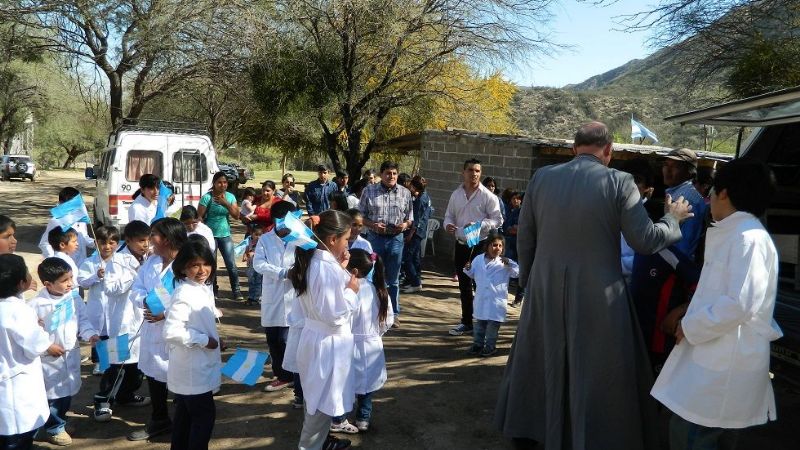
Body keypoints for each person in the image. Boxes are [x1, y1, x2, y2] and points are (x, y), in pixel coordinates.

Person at [494, 121, 694, 450]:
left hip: (545, 288)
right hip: (600, 295)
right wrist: (673, 218)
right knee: (597, 367)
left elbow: (526, 238)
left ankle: (535, 429)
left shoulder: (542, 178)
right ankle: (593, 435)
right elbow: (645, 241)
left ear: (574, 149)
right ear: (608, 152)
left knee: (543, 360)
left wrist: (529, 283)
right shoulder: (621, 182)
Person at [651, 158, 782, 450]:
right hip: (714, 362)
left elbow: (739, 304)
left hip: (721, 367)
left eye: (711, 192)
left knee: (692, 436)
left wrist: (690, 326)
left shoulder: (747, 238)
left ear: (723, 193)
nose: (708, 199)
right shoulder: (737, 233)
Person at [631, 149, 708, 373]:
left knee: (657, 339)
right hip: (667, 270)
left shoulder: (686, 198)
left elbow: (682, 247)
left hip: (671, 276)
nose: (667, 169)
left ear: (689, 171)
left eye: (674, 165)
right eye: (665, 164)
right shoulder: (676, 193)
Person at [290, 210, 357, 450]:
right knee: (319, 405)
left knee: (320, 401)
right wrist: (351, 291)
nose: (347, 243)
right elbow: (334, 315)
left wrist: (341, 269)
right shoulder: (324, 268)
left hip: (317, 339)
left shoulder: (314, 262)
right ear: (332, 240)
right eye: (346, 238)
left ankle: (320, 442)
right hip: (326, 344)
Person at [78, 226, 149, 422]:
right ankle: (102, 401)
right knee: (115, 366)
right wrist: (135, 273)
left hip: (140, 320)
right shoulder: (118, 261)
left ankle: (125, 396)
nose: (145, 245)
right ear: (129, 240)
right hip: (118, 322)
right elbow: (111, 288)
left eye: (147, 240)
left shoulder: (146, 259)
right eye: (140, 241)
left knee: (136, 368)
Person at [127, 218, 188, 441]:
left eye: (154, 234)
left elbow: (194, 300)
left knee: (180, 376)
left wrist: (166, 313)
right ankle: (160, 419)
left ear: (168, 239)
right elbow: (137, 287)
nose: (150, 238)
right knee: (154, 375)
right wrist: (145, 302)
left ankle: (184, 421)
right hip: (152, 328)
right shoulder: (151, 262)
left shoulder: (187, 264)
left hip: (177, 328)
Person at [29, 257, 94, 446]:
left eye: (71, 278)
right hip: (50, 358)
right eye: (65, 281)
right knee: (53, 396)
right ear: (48, 284)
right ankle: (53, 428)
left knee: (66, 393)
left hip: (70, 353)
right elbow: (30, 333)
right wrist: (46, 346)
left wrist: (90, 334)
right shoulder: (36, 305)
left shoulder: (73, 298)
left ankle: (59, 422)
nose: (70, 284)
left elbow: (83, 319)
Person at [163, 241, 221, 450]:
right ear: (183, 267)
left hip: (196, 365)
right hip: (192, 368)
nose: (202, 270)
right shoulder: (184, 293)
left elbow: (200, 322)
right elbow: (171, 331)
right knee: (203, 420)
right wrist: (205, 340)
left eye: (206, 264)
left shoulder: (201, 288)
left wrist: (215, 338)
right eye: (195, 265)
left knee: (185, 418)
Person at [0, 254, 61, 450]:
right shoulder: (19, 311)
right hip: (16, 382)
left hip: (6, 377)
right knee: (17, 432)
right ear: (21, 282)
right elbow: (35, 345)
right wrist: (40, 331)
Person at [331, 249, 393, 434]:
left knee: (343, 385)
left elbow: (339, 317)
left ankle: (339, 418)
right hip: (372, 344)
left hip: (348, 344)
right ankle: (363, 418)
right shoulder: (378, 290)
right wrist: (376, 334)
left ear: (354, 270)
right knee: (367, 386)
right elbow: (388, 320)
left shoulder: (347, 289)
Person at [443, 159, 503, 336]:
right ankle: (467, 322)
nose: (474, 174)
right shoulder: (456, 195)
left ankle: (483, 323)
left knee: (482, 286)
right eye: (470, 170)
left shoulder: (487, 196)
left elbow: (498, 220)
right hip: (461, 244)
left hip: (480, 246)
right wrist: (448, 225)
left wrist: (479, 225)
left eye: (477, 171)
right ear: (463, 172)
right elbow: (448, 216)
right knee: (464, 286)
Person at [359, 161, 413, 322]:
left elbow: (410, 218)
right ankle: (375, 311)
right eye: (388, 173)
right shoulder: (369, 191)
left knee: (393, 279)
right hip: (375, 239)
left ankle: (393, 313)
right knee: (374, 275)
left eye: (394, 173)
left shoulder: (405, 193)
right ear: (381, 174)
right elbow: (360, 216)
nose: (391, 176)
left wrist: (404, 225)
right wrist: (373, 225)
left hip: (396, 239)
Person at [254, 201, 299, 393]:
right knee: (273, 338)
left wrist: (296, 273)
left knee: (289, 339)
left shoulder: (300, 240)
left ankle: (289, 376)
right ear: (276, 221)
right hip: (273, 295)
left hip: (294, 296)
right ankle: (281, 374)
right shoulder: (265, 239)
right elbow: (258, 264)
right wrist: (282, 273)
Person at [463, 233, 519, 357]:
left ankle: (490, 346)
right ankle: (477, 345)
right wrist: (468, 268)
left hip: (496, 302)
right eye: (494, 245)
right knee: (479, 326)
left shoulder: (504, 263)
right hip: (481, 299)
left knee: (492, 328)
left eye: (500, 246)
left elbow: (517, 273)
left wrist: (510, 263)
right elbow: (472, 274)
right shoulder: (478, 259)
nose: (497, 248)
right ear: (487, 246)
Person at [197, 171, 242, 301]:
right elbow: (199, 217)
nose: (222, 185)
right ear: (214, 183)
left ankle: (236, 290)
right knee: (212, 264)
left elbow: (237, 216)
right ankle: (214, 290)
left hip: (225, 235)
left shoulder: (231, 197)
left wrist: (225, 203)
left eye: (225, 182)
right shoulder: (207, 198)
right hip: (210, 236)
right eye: (219, 182)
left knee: (231, 264)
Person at [39, 187, 96, 267]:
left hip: (81, 264)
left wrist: (95, 243)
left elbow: (84, 237)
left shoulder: (80, 219)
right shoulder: (56, 221)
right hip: (64, 266)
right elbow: (45, 243)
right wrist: (53, 260)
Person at [401, 178, 432, 294]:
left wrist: (410, 234)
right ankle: (414, 280)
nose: (410, 188)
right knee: (415, 258)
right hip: (421, 232)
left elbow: (416, 219)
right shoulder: (426, 197)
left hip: (416, 233)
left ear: (414, 186)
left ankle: (415, 283)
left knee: (407, 258)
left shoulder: (420, 200)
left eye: (411, 186)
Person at [500, 192, 524, 307]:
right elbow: (507, 228)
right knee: (506, 267)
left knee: (522, 271)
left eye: (518, 199)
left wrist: (516, 228)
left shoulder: (525, 212)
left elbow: (523, 229)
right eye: (513, 199)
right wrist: (513, 228)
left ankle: (519, 298)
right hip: (509, 243)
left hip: (522, 244)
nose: (516, 201)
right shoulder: (509, 211)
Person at [244, 226, 265, 307]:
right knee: (251, 281)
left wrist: (254, 254)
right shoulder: (249, 241)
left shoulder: (262, 244)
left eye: (260, 235)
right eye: (256, 234)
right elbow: (246, 250)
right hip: (250, 266)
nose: (258, 237)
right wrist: (245, 255)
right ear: (251, 234)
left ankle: (256, 298)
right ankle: (251, 297)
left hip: (258, 266)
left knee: (258, 281)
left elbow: (263, 254)